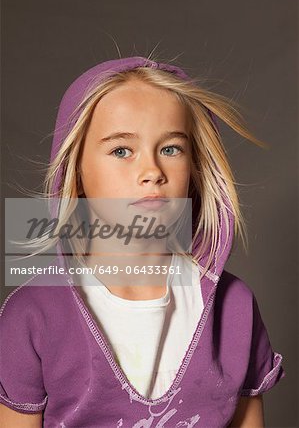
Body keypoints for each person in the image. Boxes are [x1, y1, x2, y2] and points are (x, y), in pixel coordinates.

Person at [0, 56, 285, 427]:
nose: (152, 171)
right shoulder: (32, 316)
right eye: (121, 150)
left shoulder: (235, 308)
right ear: (78, 171)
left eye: (171, 149)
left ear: (194, 168)